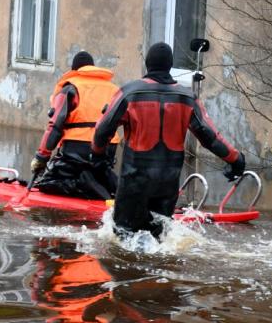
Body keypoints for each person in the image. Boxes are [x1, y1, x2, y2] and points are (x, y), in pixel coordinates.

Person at [91, 42, 245, 237]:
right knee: (159, 242)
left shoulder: (130, 93)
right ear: (169, 65)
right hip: (167, 184)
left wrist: (97, 158)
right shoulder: (187, 97)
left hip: (135, 182)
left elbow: (102, 130)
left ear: (148, 64)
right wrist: (236, 160)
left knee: (123, 239)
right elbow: (210, 138)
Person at [30, 51, 120, 200]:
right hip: (107, 149)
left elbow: (55, 126)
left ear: (74, 71)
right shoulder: (113, 90)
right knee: (99, 171)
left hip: (78, 149)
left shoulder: (71, 88)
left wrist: (41, 157)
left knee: (49, 183)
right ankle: (109, 188)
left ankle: (85, 181)